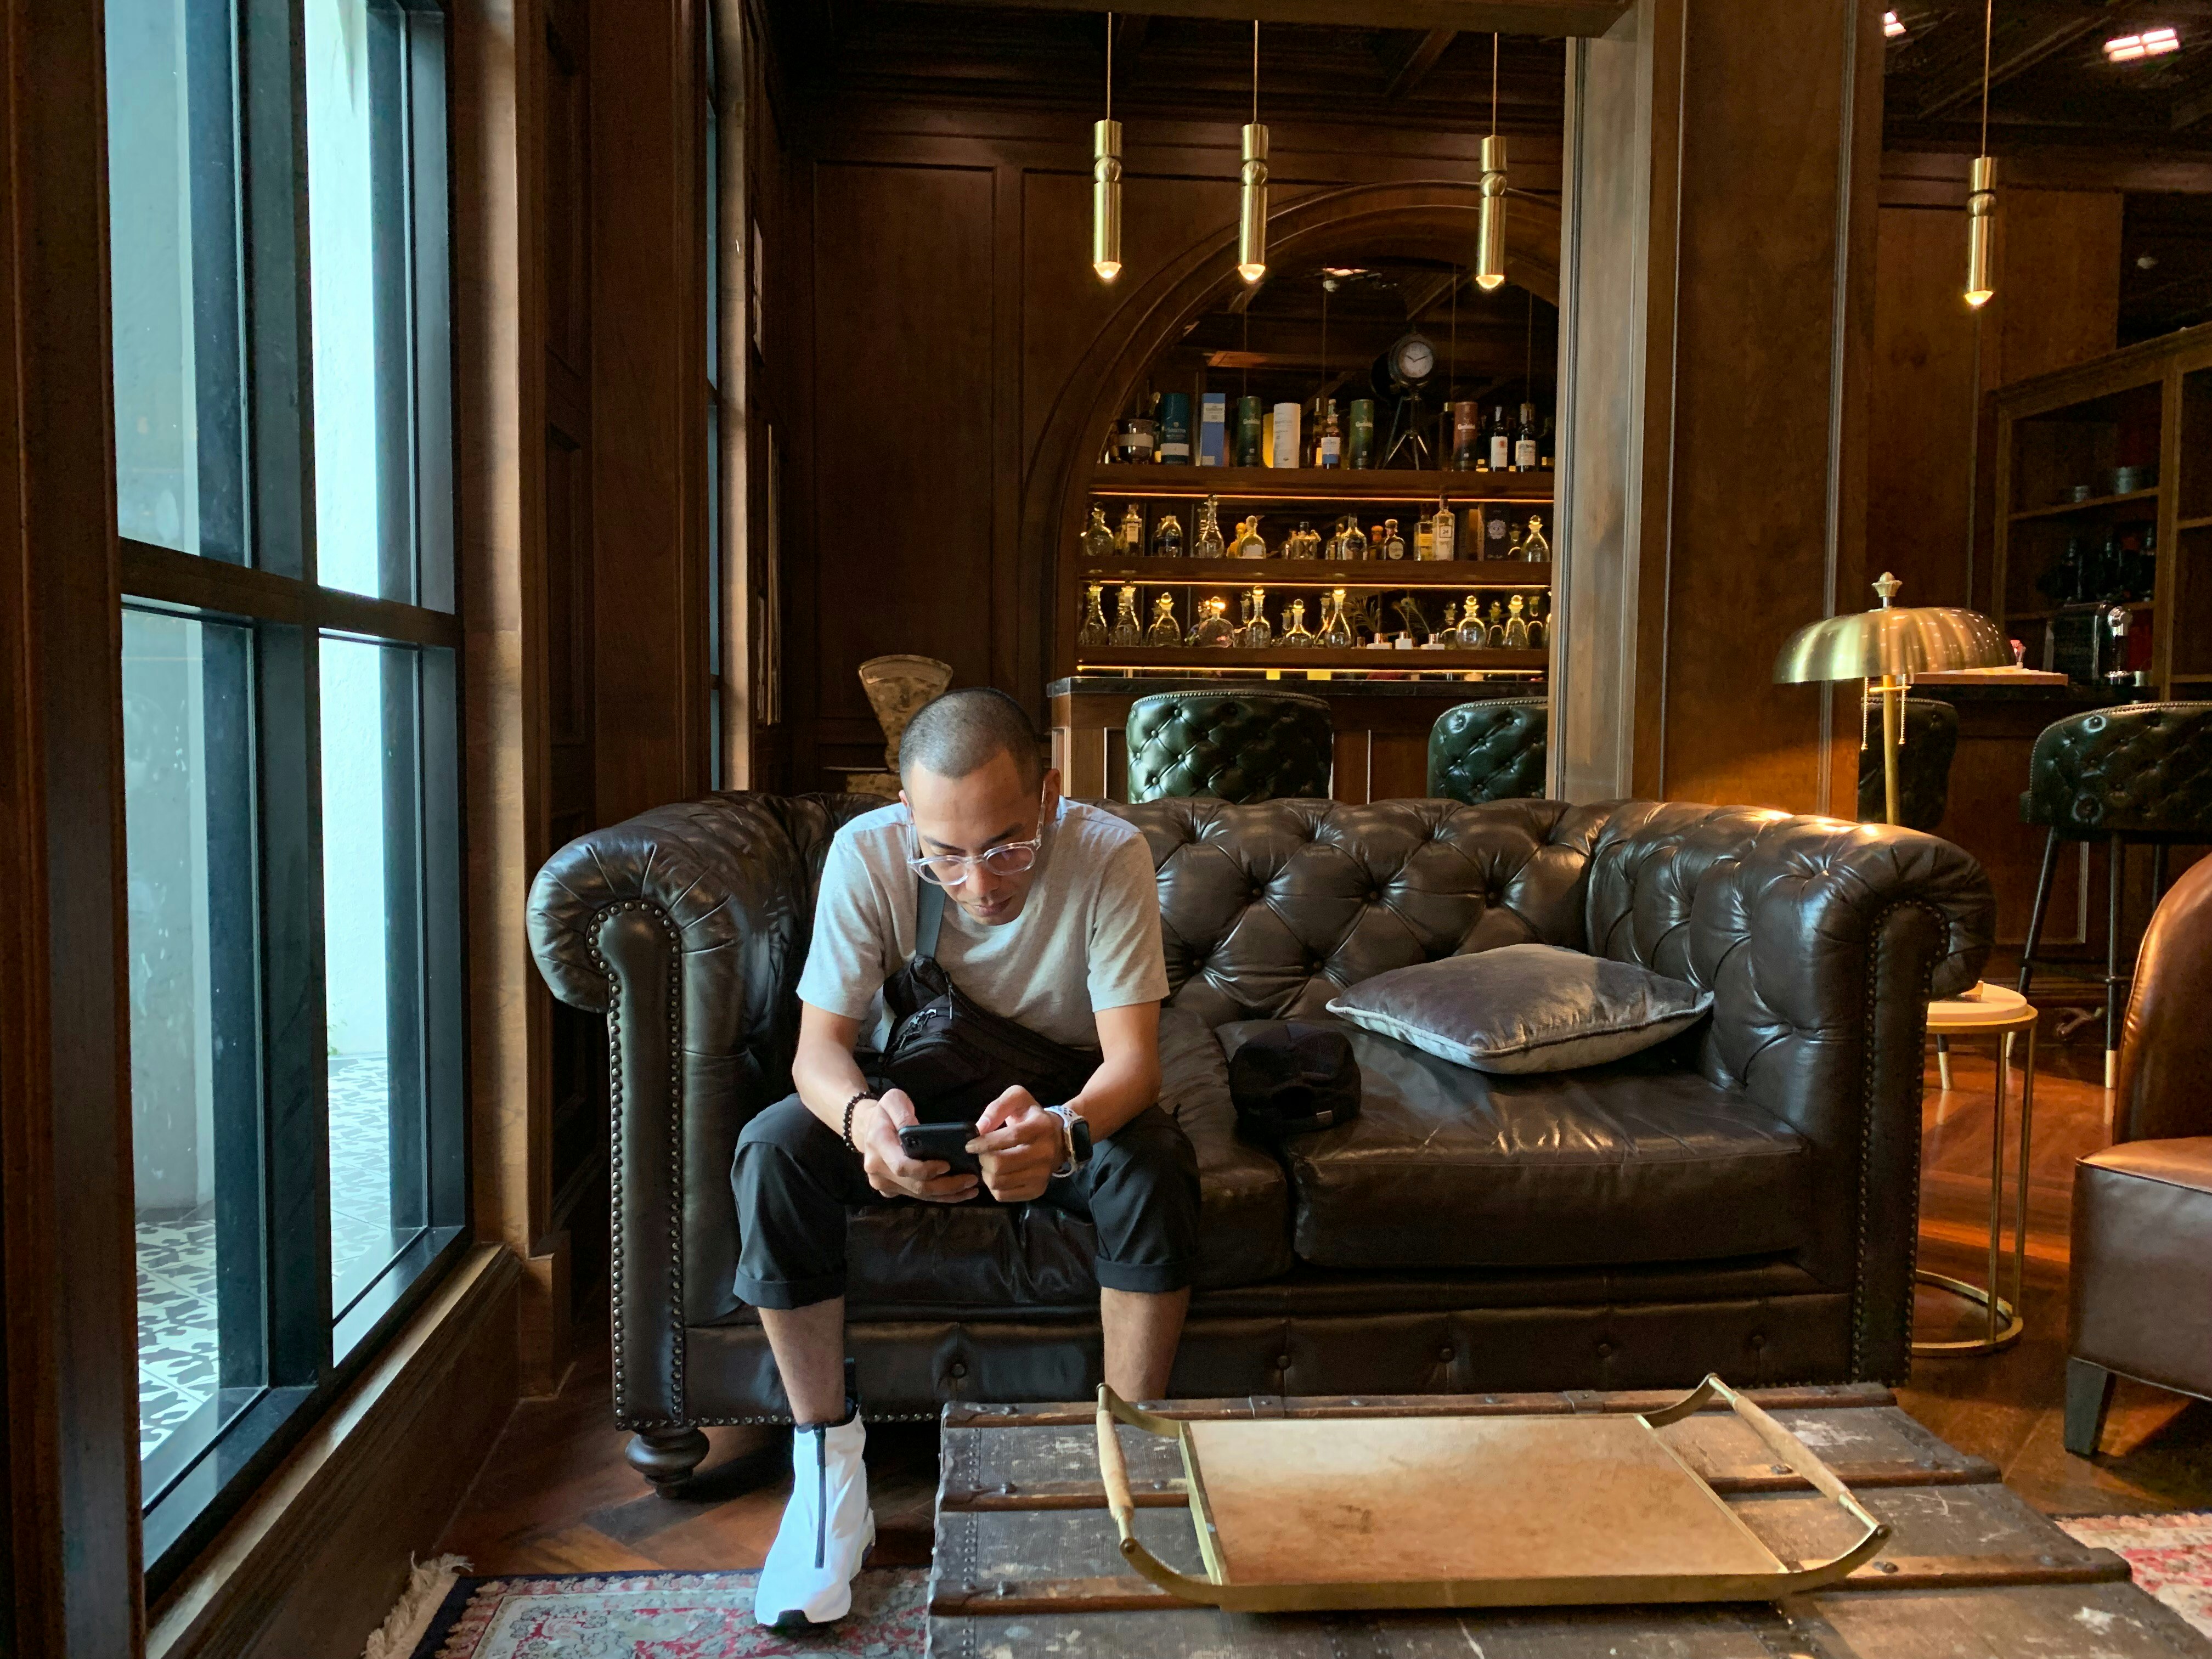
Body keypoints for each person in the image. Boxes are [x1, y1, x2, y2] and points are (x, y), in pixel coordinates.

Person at [732, 686, 1198, 1629]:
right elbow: (817, 1054)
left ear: (1049, 795)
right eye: (942, 854)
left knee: (1155, 1169)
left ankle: (1124, 1465)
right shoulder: (867, 852)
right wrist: (864, 1124)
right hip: (913, 1081)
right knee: (773, 1149)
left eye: (1007, 846)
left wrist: (1064, 1132)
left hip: (1062, 1090)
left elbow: (1133, 1066)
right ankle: (828, 1476)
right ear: (907, 814)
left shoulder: (1108, 851)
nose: (979, 883)